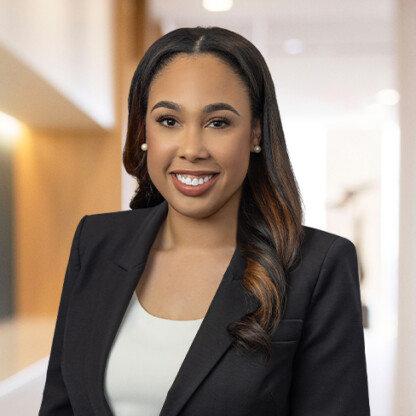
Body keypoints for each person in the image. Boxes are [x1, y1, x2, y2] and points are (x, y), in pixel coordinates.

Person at [39, 26, 370, 416]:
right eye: (168, 120)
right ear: (144, 129)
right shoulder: (95, 242)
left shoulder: (318, 266)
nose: (192, 149)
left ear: (256, 132)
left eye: (218, 123)